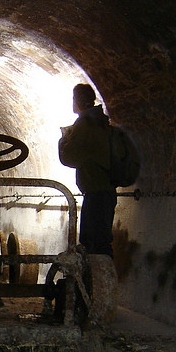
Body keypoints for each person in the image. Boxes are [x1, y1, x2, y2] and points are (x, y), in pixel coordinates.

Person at [58, 83, 116, 257]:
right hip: (105, 189)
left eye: (73, 99)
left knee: (93, 244)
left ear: (77, 101)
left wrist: (64, 139)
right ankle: (99, 280)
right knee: (100, 241)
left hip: (95, 190)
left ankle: (96, 282)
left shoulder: (85, 124)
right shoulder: (101, 121)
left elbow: (69, 157)